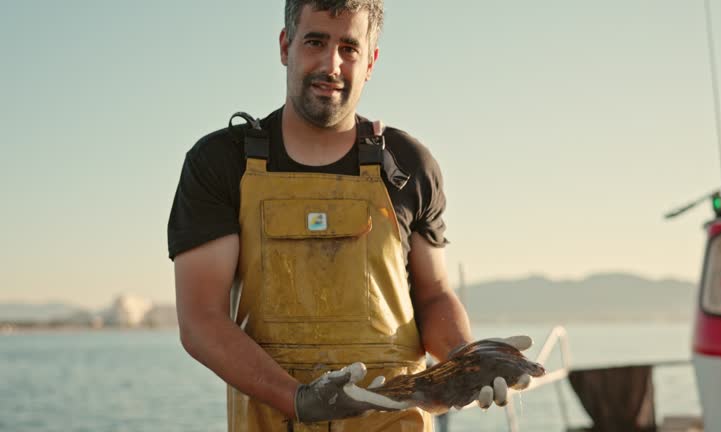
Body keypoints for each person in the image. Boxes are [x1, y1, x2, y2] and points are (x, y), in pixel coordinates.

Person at [167, 1, 533, 431]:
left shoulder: (408, 164)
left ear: (371, 60)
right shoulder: (222, 161)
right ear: (286, 46)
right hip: (273, 419)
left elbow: (433, 294)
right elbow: (201, 319)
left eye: (349, 48)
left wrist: (466, 360)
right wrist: (299, 400)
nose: (331, 64)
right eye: (315, 41)